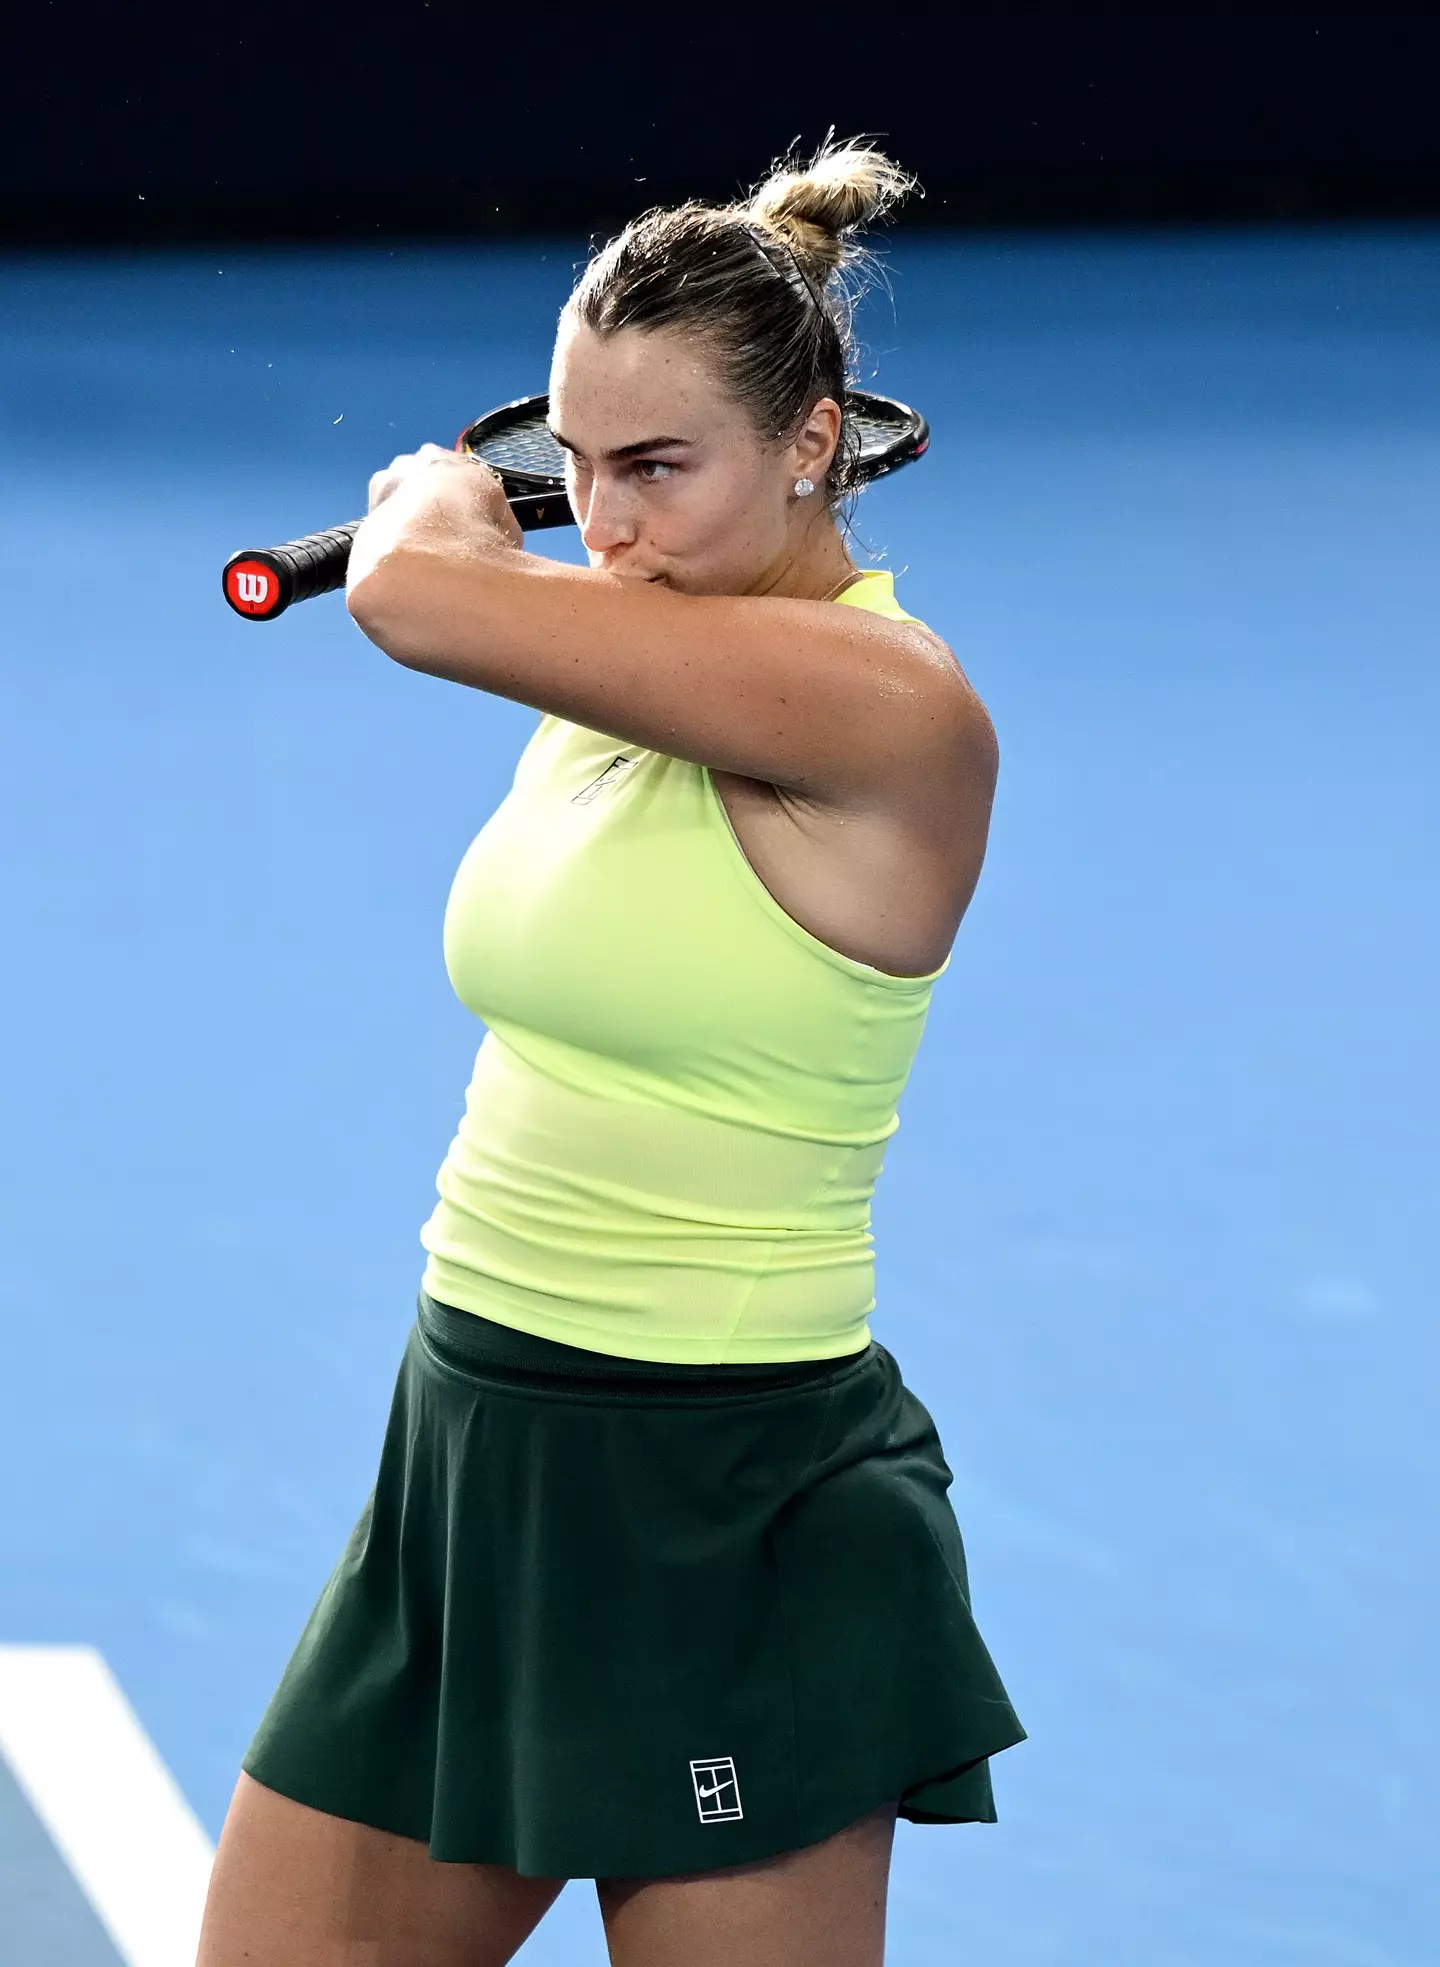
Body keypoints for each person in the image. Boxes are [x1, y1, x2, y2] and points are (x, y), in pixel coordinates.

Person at [196, 135, 1025, 1967]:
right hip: (468, 1461)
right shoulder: (619, 658)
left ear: (818, 440)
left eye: (657, 464)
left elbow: (419, 600)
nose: (610, 519)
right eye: (571, 465)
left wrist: (436, 505)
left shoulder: (892, 707)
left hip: (726, 1509)